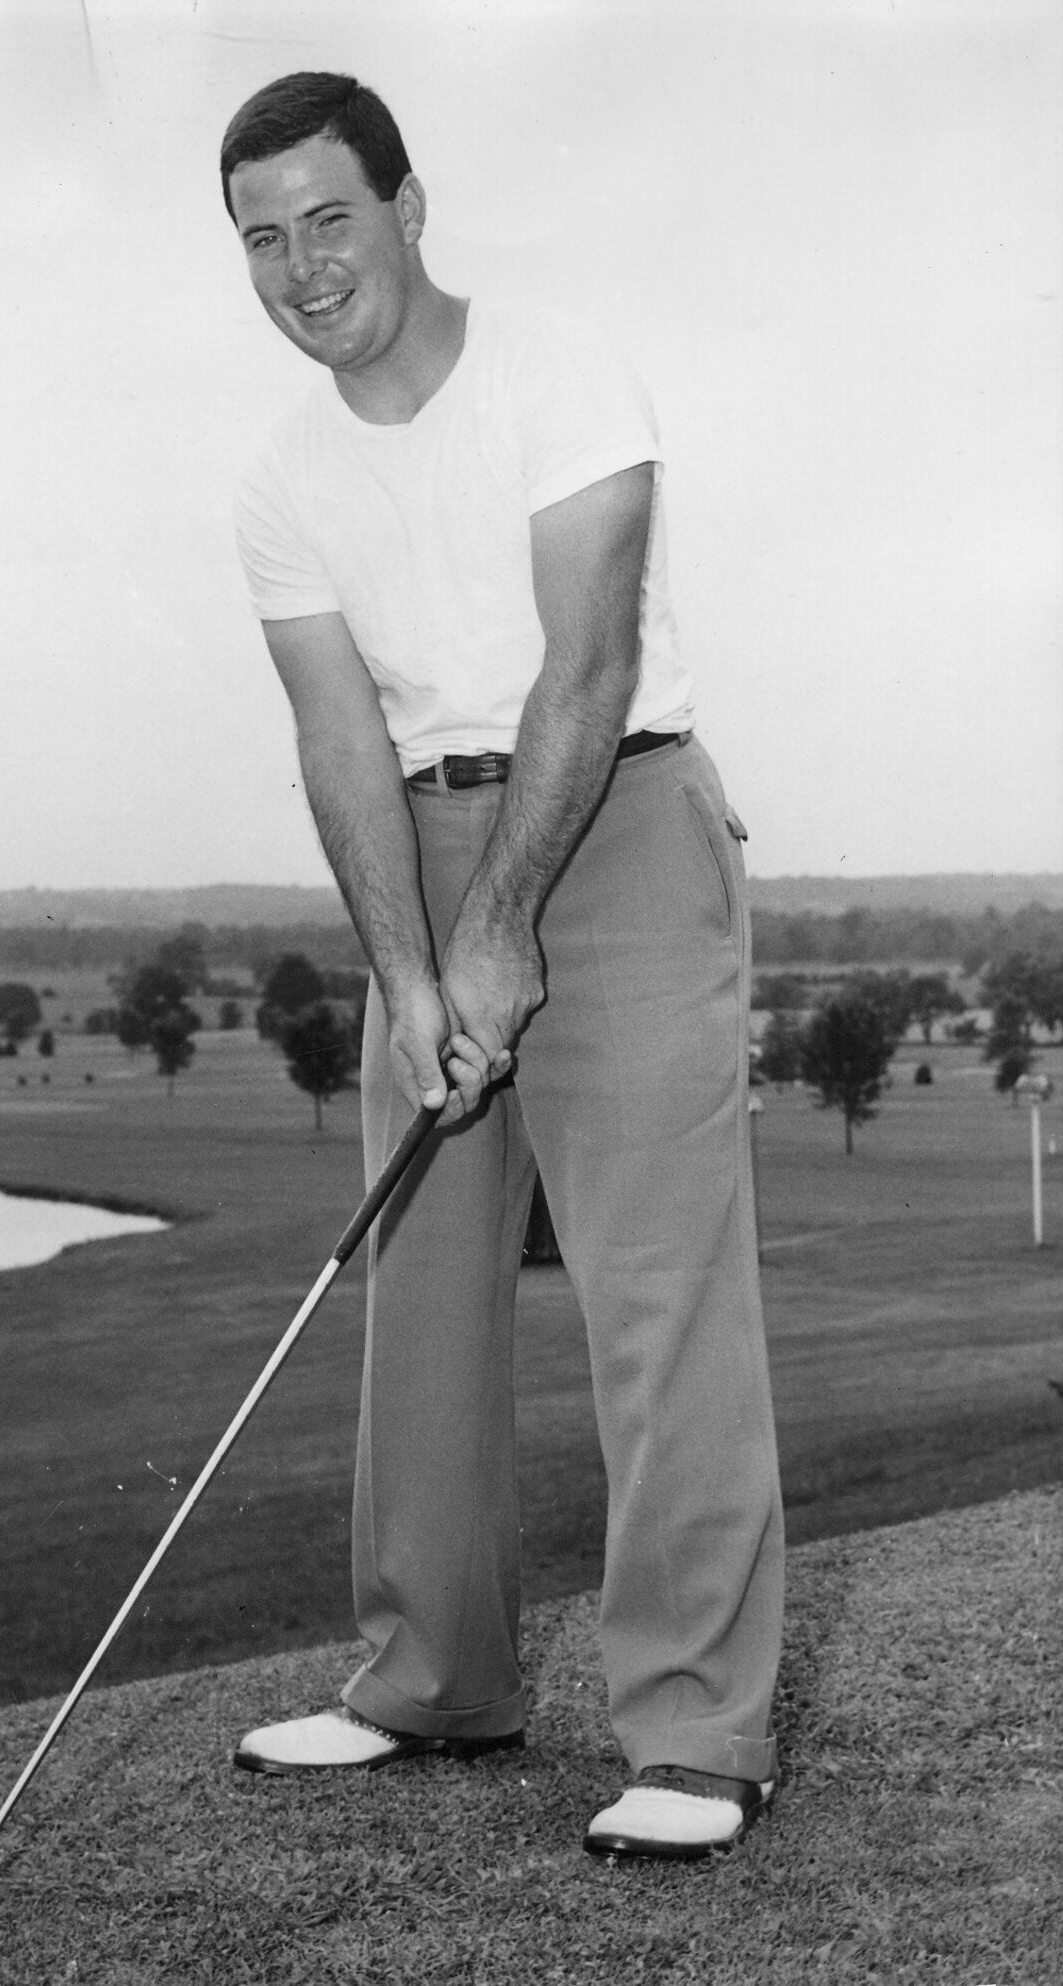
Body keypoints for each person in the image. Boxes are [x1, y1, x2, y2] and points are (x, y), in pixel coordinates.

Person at [220, 72, 784, 1861]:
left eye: (329, 217)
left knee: (654, 1291)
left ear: (405, 204)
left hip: (611, 822)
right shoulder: (281, 476)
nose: (305, 266)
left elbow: (589, 666)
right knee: (424, 1277)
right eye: (262, 237)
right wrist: (407, 972)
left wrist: (501, 926)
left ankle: (698, 1735)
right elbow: (337, 740)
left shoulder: (559, 372)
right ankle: (431, 1678)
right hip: (431, 845)